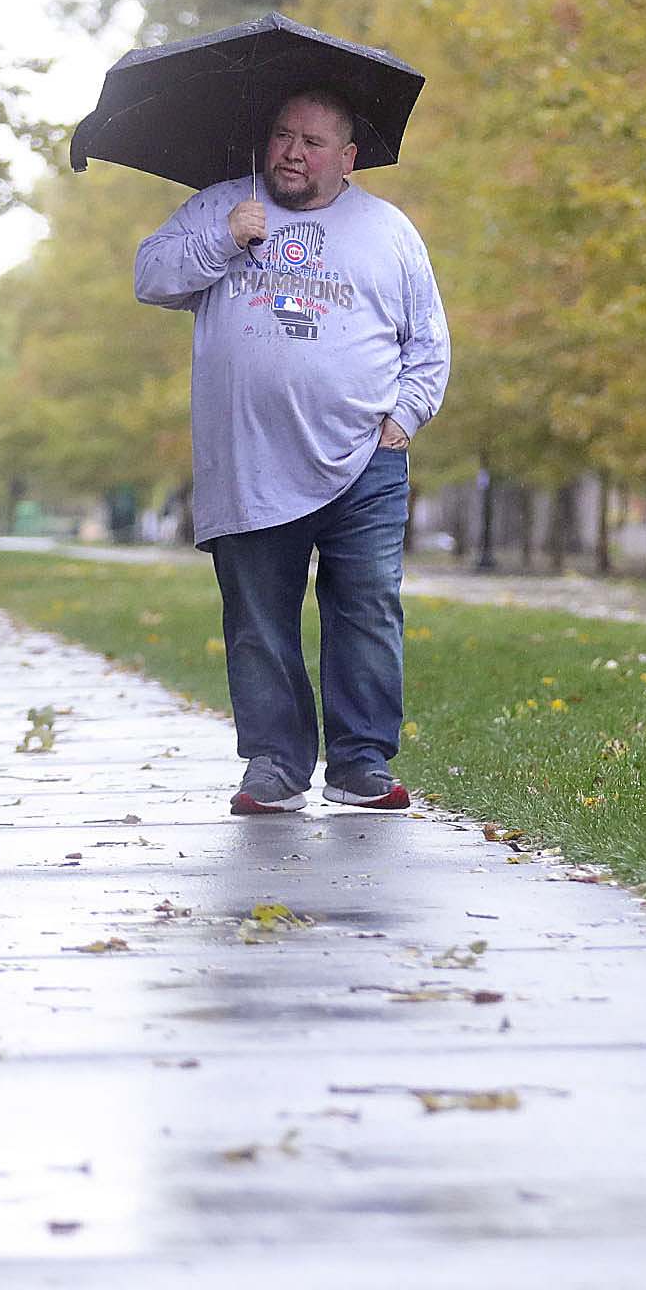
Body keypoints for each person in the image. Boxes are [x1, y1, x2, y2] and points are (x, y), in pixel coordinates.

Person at [134, 89, 450, 814]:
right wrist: (224, 240)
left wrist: (403, 417)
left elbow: (427, 341)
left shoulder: (389, 230)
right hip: (247, 460)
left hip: (365, 460)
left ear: (348, 157)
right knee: (258, 618)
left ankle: (361, 762)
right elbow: (149, 275)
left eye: (312, 142)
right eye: (282, 135)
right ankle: (274, 763)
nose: (292, 153)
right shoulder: (223, 207)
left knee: (368, 607)